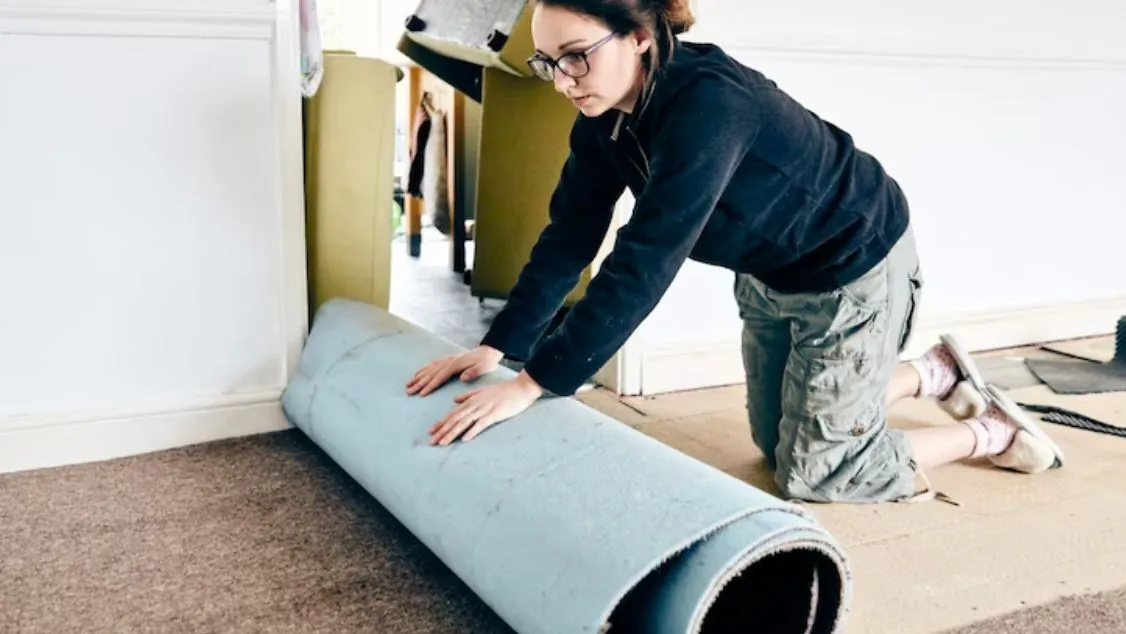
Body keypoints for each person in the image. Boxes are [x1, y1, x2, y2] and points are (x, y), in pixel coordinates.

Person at [406, 0, 1065, 503]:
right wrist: (504, 346)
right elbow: (570, 233)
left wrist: (535, 384)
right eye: (549, 62)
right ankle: (934, 374)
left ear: (640, 35)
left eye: (575, 56)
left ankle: (992, 432)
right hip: (771, 275)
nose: (561, 81)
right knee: (773, 445)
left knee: (819, 475)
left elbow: (644, 259)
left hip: (853, 268)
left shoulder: (709, 104)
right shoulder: (602, 117)